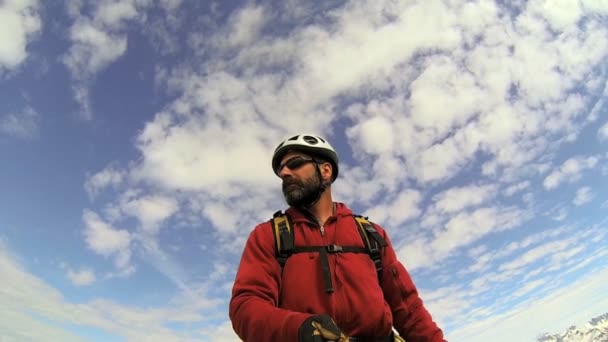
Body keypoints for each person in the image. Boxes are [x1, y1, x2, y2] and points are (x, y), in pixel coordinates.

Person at [229, 134, 445, 342]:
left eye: (294, 163)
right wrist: (298, 328)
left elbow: (409, 310)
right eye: (280, 169)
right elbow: (245, 305)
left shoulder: (371, 233)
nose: (284, 172)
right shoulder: (267, 235)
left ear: (325, 170)